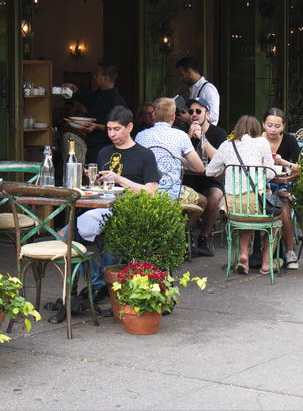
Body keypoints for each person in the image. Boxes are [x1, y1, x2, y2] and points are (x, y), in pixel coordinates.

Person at [74, 106, 160, 305]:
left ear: (129, 127)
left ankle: (103, 284)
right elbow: (101, 188)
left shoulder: (145, 155)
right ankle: (99, 281)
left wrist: (119, 179)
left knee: (113, 232)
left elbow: (151, 192)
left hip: (131, 211)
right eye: (109, 129)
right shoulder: (104, 152)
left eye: (116, 129)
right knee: (66, 236)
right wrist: (93, 181)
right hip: (102, 208)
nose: (111, 134)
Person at [206, 115, 276, 275]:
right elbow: (271, 174)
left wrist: (227, 170)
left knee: (245, 216)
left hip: (232, 208)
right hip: (256, 205)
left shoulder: (226, 144)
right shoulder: (262, 142)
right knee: (275, 220)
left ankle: (243, 254)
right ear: (257, 128)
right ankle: (267, 262)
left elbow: (209, 171)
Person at [135, 97, 206, 205]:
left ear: (154, 116)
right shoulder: (181, 135)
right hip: (173, 195)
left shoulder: (140, 136)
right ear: (173, 117)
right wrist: (180, 160)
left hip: (147, 193)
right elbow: (200, 168)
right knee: (203, 201)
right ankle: (185, 217)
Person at [182, 97, 228, 256]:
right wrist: (188, 138)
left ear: (207, 114)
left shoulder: (218, 133)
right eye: (191, 112)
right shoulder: (183, 133)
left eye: (198, 111)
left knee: (214, 198)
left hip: (211, 179)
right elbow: (178, 156)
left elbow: (220, 159)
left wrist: (202, 138)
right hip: (189, 179)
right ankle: (183, 236)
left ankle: (203, 238)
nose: (194, 114)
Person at [63, 63, 127, 164]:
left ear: (106, 78)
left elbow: (120, 127)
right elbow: (86, 99)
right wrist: (75, 91)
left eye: (97, 75)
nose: (95, 77)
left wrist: (97, 126)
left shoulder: (117, 101)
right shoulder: (98, 95)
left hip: (107, 147)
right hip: (92, 145)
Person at [261, 108, 300, 270]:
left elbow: (299, 168)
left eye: (277, 126)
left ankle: (289, 251)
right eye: (269, 125)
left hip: (284, 185)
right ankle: (258, 253)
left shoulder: (289, 141)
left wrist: (283, 162)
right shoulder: (257, 141)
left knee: (284, 208)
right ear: (263, 124)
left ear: (283, 126)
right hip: (261, 187)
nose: (273, 130)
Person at [175, 56, 220, 125]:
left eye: (182, 75)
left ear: (189, 73)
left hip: (206, 131)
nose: (180, 79)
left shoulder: (208, 89)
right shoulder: (193, 88)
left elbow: (214, 116)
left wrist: (189, 118)